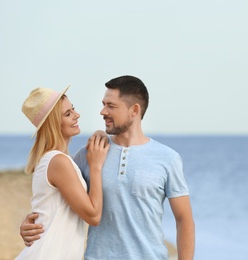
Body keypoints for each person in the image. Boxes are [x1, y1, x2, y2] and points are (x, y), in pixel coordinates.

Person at [20, 76, 195, 259]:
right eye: (103, 104)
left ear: (134, 110)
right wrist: (32, 223)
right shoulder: (90, 154)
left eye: (111, 106)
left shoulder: (168, 158)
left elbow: (184, 220)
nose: (103, 111)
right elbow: (56, 196)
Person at [16, 86, 110, 259]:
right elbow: (94, 216)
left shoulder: (58, 161)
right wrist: (96, 166)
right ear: (53, 124)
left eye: (72, 108)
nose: (77, 115)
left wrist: (99, 133)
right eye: (68, 114)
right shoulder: (58, 162)